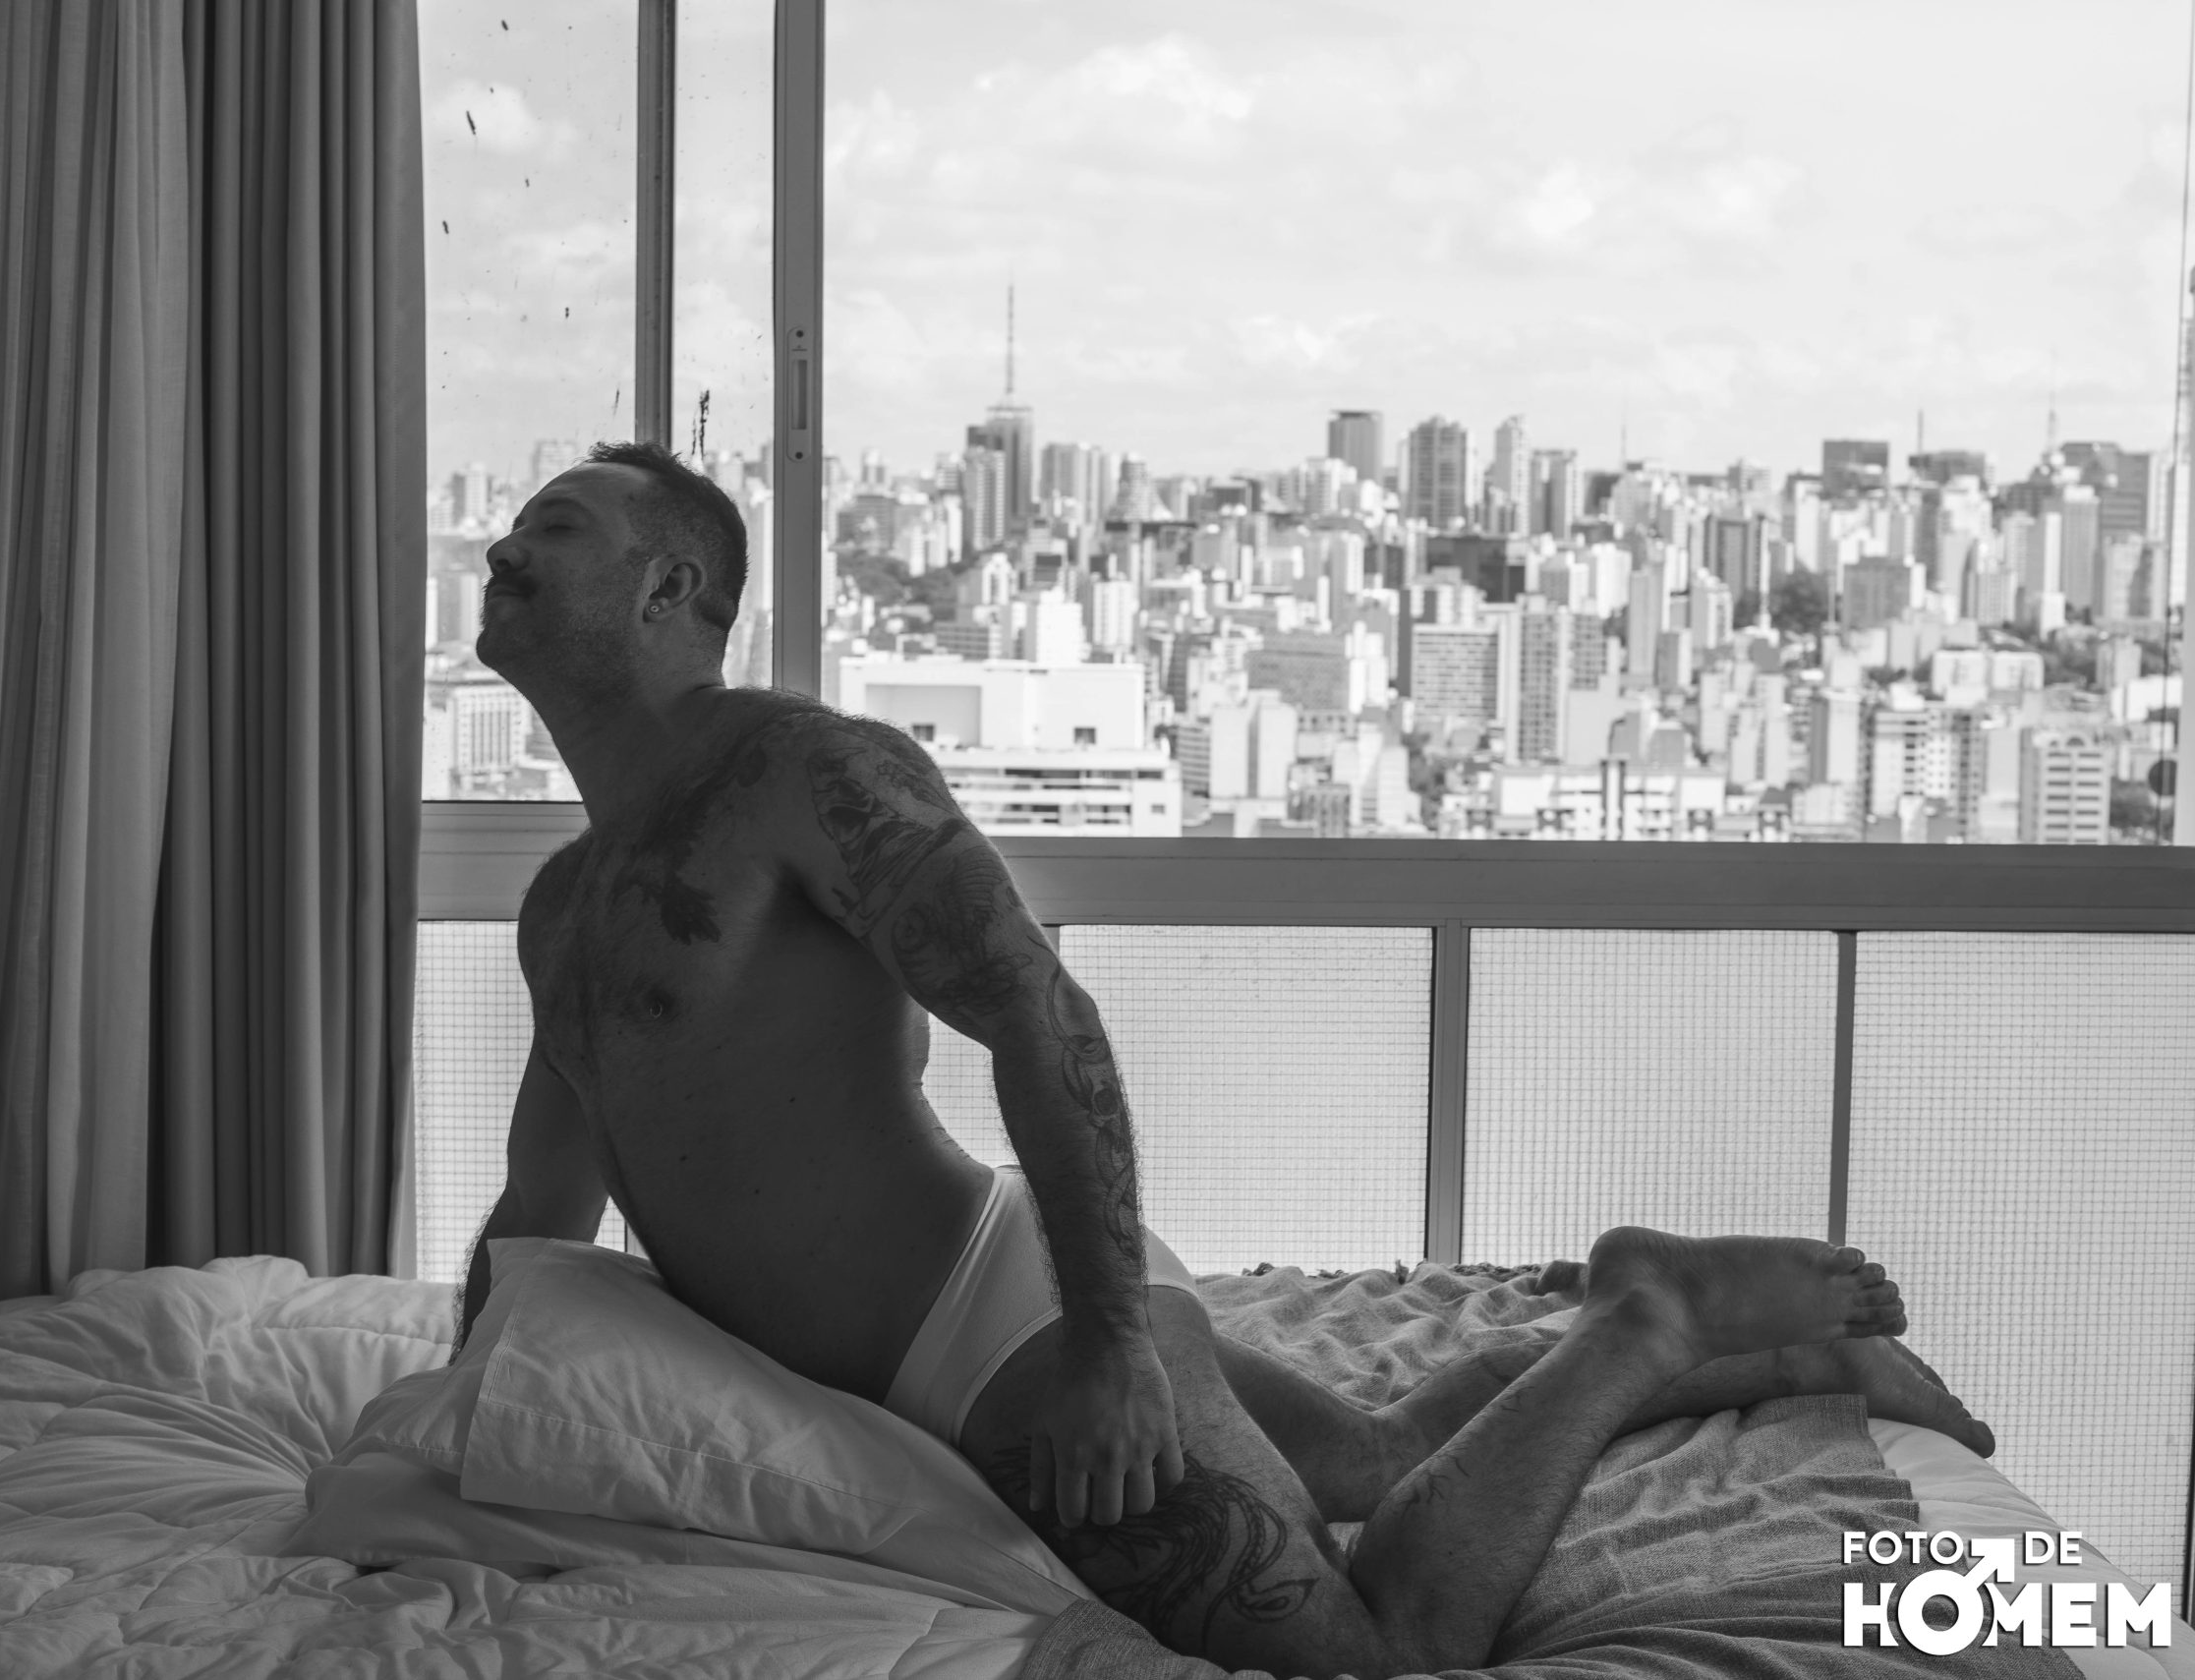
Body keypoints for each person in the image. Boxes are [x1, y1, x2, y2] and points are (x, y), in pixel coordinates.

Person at [457, 438, 1993, 1677]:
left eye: (553, 525)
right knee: (1378, 1452)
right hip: (1013, 1293)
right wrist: (459, 1427)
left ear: (670, 586)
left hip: (1007, 1329)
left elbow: (1044, 1018)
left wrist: (1109, 1349)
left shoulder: (799, 773)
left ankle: (1649, 1321)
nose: (504, 548)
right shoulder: (565, 907)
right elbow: (542, 1209)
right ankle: (1778, 1359)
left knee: (1386, 1646)